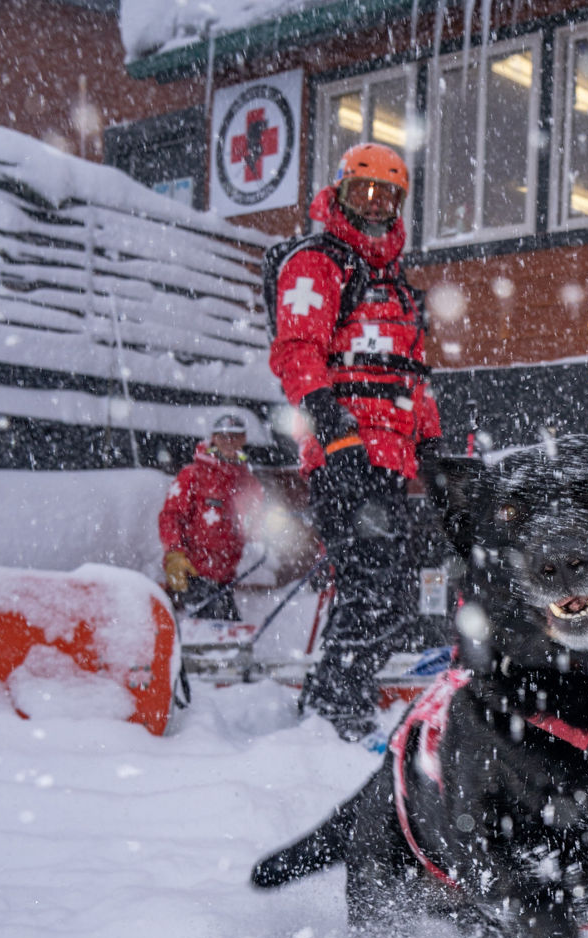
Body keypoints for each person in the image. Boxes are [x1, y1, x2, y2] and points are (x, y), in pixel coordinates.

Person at [269, 142, 442, 740]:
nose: (373, 205)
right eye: (362, 191)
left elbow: (414, 380)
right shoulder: (318, 263)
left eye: (386, 195)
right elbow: (297, 352)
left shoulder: (397, 290)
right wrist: (332, 429)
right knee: (376, 585)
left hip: (391, 461)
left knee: (389, 589)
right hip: (345, 455)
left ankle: (329, 699)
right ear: (340, 192)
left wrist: (433, 448)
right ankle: (339, 708)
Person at [158, 413, 264, 621]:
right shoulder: (193, 474)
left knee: (230, 637)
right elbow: (171, 517)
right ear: (213, 438)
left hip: (225, 578)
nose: (229, 442)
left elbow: (253, 526)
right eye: (223, 436)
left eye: (235, 436)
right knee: (211, 637)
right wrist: (174, 554)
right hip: (193, 574)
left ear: (244, 439)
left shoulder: (249, 482)